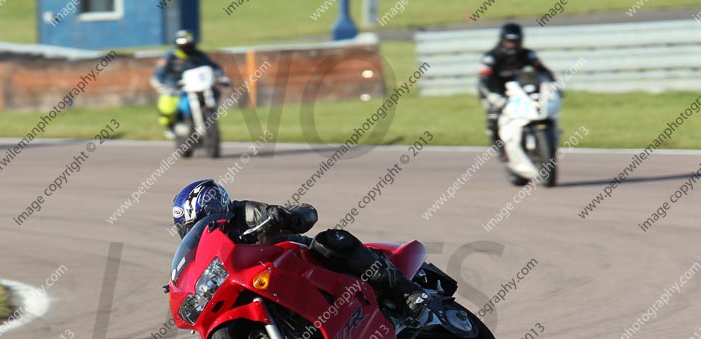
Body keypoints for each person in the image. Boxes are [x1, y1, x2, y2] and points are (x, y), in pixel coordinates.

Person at [172, 180, 430, 323]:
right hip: (264, 286)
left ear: (214, 207)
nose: (197, 230)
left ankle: (406, 292)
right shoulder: (204, 251)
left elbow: (305, 215)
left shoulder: (244, 213)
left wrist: (282, 215)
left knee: (329, 241)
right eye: (190, 228)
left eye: (198, 222)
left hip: (298, 262)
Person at [478, 22, 554, 159]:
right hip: (496, 92)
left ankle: (547, 141)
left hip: (521, 91)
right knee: (493, 117)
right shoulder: (491, 58)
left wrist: (553, 86)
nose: (512, 45)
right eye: (509, 42)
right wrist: (493, 96)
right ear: (502, 40)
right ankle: (501, 150)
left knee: (543, 110)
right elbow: (483, 82)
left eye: (515, 42)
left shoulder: (528, 55)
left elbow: (543, 71)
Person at [150, 30, 225, 140]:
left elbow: (214, 67)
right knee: (167, 107)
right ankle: (172, 126)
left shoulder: (199, 55)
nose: (187, 48)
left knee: (215, 92)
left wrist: (220, 76)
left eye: (189, 45)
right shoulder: (170, 56)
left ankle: (207, 115)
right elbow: (159, 74)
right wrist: (166, 84)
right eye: (184, 46)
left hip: (199, 86)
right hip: (179, 88)